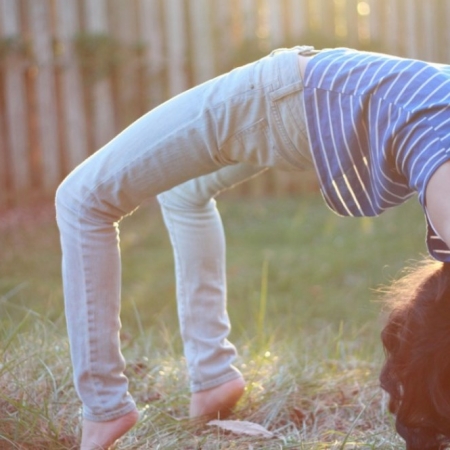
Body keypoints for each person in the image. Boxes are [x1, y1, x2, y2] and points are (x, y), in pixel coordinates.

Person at [55, 44, 450, 449]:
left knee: (83, 201)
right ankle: (213, 377)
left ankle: (105, 407)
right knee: (183, 194)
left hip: (281, 97)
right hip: (315, 104)